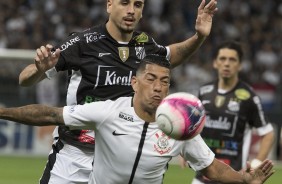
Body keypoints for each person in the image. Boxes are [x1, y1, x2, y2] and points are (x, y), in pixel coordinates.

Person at [18, 0, 218, 183]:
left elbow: (171, 56)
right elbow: (25, 79)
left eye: (138, 5)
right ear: (109, 5)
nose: (131, 10)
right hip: (76, 155)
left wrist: (199, 36)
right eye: (124, 3)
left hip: (119, 159)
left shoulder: (145, 44)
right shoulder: (82, 43)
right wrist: (40, 69)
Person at [1, 55, 275, 184]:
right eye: (151, 79)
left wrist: (244, 180)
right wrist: (2, 112)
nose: (158, 87)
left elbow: (212, 167)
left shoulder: (181, 127)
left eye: (164, 82)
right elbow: (50, 113)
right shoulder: (107, 111)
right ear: (134, 82)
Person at [190, 41, 275, 184]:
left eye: (232, 59)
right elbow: (192, 126)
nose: (227, 63)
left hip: (235, 177)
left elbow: (268, 133)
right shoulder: (204, 92)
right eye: (222, 59)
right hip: (202, 177)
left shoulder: (249, 96)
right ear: (215, 63)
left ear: (240, 65)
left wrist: (257, 164)